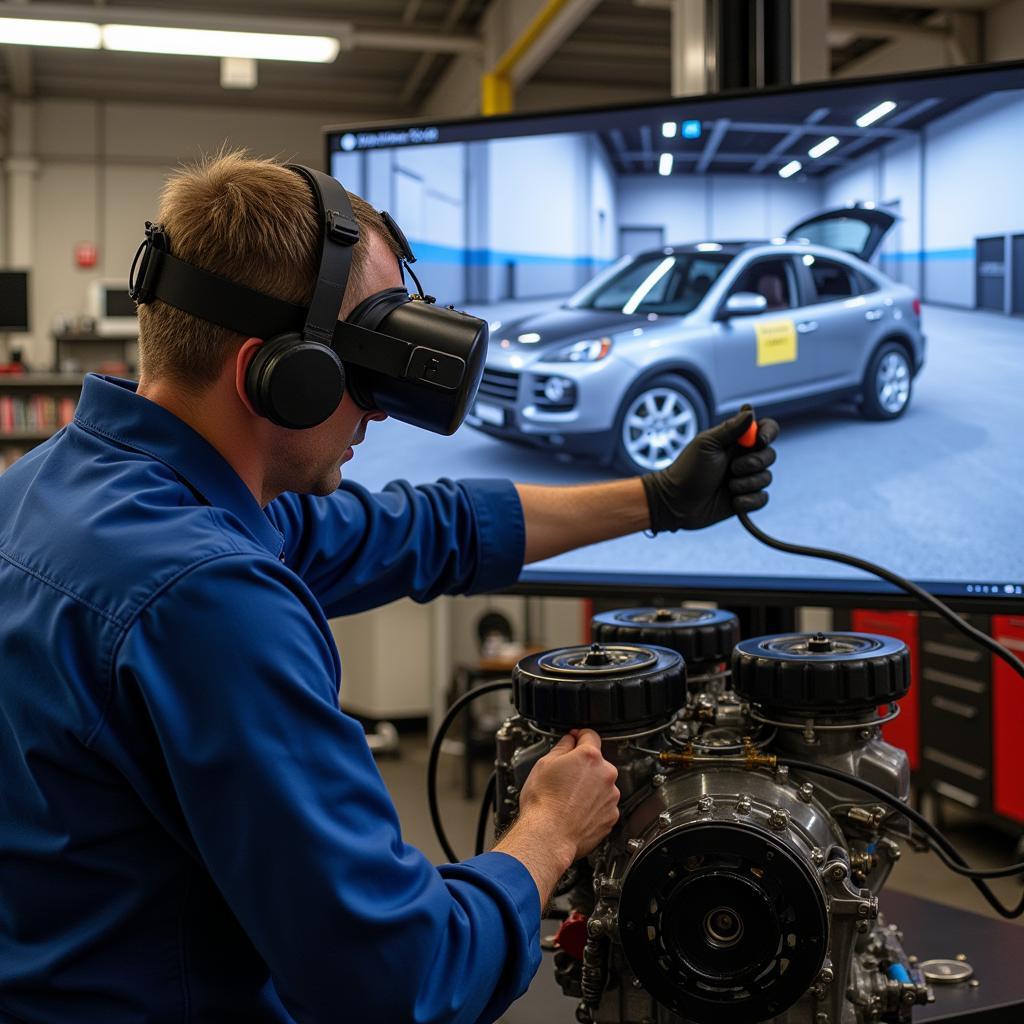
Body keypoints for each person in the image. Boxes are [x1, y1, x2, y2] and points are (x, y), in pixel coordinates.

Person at [0, 151, 778, 1024]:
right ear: (279, 376)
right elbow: (399, 979)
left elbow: (421, 528)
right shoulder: (207, 598)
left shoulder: (52, 492)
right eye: (364, 376)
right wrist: (548, 833)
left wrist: (658, 500)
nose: (376, 412)